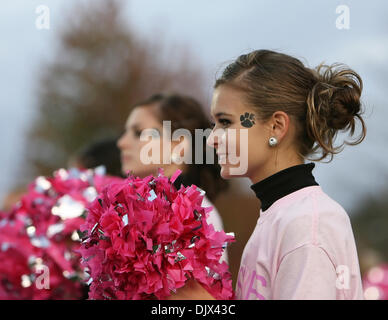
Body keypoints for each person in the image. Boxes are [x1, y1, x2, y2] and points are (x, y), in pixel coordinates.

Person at [177, 49, 367, 299]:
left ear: (276, 126)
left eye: (225, 122)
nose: (212, 139)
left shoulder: (308, 224)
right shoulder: (280, 214)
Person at [117, 93, 229, 263]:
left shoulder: (198, 216)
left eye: (138, 133)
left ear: (178, 144)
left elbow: (207, 289)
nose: (121, 143)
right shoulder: (129, 206)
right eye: (125, 132)